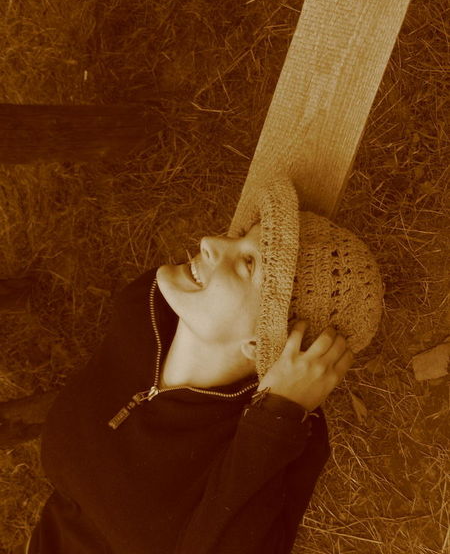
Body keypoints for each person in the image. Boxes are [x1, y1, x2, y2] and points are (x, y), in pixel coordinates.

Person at [18, 176, 384, 554]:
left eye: (247, 264)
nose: (210, 242)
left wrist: (278, 415)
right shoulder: (144, 308)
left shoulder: (278, 440)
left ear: (260, 342)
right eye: (240, 239)